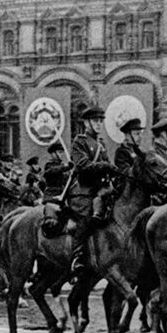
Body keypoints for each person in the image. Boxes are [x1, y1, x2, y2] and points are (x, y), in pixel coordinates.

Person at [69, 105, 118, 277]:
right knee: (88, 216)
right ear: (86, 123)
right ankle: (78, 255)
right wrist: (103, 165)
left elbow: (108, 164)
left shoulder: (101, 144)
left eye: (100, 121)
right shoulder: (79, 142)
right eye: (95, 121)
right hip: (84, 190)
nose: (99, 124)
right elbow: (82, 166)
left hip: (101, 189)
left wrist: (112, 170)